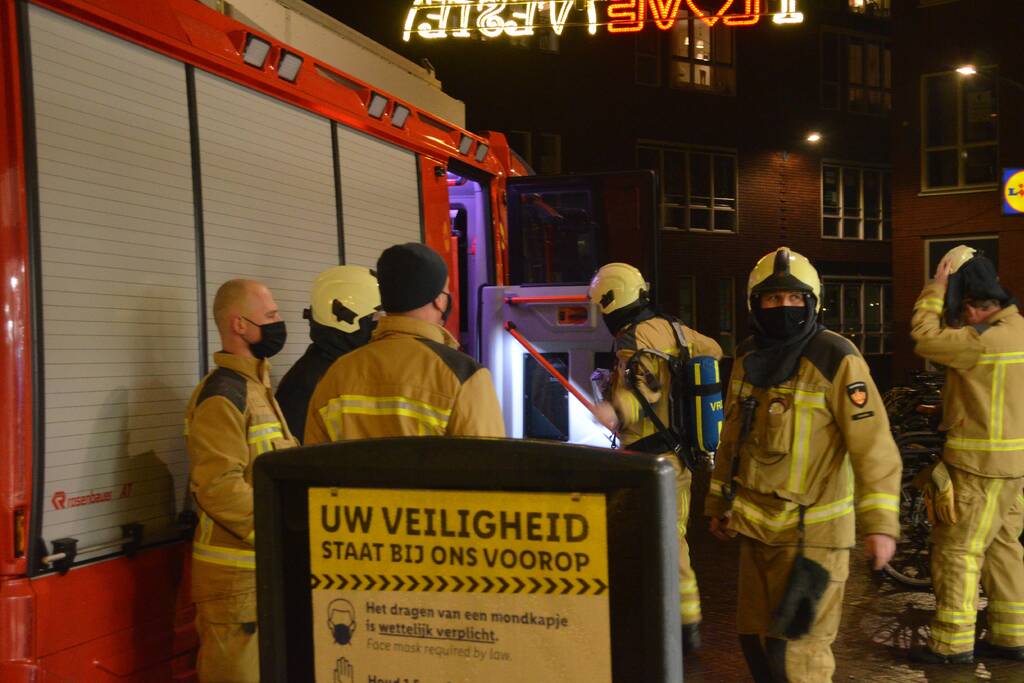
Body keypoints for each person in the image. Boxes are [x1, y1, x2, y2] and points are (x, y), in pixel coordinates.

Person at [704, 247, 900, 682]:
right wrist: (718, 502)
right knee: (756, 645)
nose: (784, 308)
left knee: (798, 656)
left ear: (812, 302)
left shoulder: (836, 357)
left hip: (815, 540)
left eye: (794, 299)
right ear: (756, 304)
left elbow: (875, 447)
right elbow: (732, 438)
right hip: (756, 534)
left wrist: (881, 525)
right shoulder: (747, 356)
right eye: (773, 300)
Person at [589, 262, 723, 654]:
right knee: (671, 538)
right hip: (681, 454)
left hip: (652, 459)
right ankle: (680, 622)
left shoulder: (634, 337)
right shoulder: (673, 327)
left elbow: (639, 393)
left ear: (611, 300)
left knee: (662, 540)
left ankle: (682, 626)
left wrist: (613, 412)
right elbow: (713, 349)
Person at [908, 245, 1024, 664]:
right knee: (1003, 547)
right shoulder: (1020, 333)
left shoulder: (980, 340)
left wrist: (934, 291)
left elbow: (924, 337)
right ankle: (1012, 636)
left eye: (960, 310)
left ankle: (951, 647)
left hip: (979, 468)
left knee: (957, 550)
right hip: (1014, 470)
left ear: (972, 306)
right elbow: (997, 394)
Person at [184, 279, 298, 682]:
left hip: (255, 577)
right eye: (270, 317)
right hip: (234, 586)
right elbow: (217, 486)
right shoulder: (222, 395)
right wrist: (280, 526)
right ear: (239, 325)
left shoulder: (256, 388)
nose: (279, 323)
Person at [305, 242, 504, 443]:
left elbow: (314, 462)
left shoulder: (336, 374)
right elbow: (489, 466)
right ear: (439, 300)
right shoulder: (464, 376)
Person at [276, 266, 380, 442]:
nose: (381, 324)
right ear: (344, 317)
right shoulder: (308, 384)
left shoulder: (341, 369)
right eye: (376, 317)